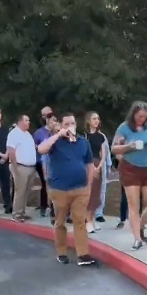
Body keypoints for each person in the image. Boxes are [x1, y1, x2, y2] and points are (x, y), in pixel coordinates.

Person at [36, 113, 97, 266]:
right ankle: (61, 252)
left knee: (79, 221)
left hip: (80, 189)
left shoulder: (83, 142)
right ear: (61, 126)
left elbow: (89, 165)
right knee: (60, 222)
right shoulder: (55, 141)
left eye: (72, 123)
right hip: (60, 189)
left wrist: (88, 186)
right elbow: (41, 149)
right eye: (66, 123)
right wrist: (58, 135)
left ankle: (83, 254)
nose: (70, 126)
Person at [112, 101, 147, 250]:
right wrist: (129, 146)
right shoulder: (124, 128)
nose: (142, 119)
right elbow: (115, 148)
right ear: (133, 114)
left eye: (145, 116)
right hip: (130, 168)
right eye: (140, 116)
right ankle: (137, 239)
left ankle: (140, 226)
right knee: (134, 204)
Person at [7, 114, 37, 222]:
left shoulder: (28, 134)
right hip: (20, 166)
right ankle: (16, 214)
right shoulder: (14, 134)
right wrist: (15, 168)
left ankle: (22, 212)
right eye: (26, 120)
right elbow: (11, 151)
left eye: (28, 120)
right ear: (20, 121)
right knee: (20, 191)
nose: (28, 122)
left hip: (30, 167)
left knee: (26, 191)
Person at [83, 112, 108, 233]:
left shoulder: (101, 136)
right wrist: (91, 166)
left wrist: (100, 166)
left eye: (98, 118)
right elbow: (84, 153)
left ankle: (92, 219)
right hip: (88, 164)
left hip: (98, 164)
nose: (96, 121)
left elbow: (103, 154)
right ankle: (87, 221)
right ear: (88, 121)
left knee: (96, 193)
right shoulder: (85, 136)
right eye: (94, 118)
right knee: (90, 193)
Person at [33, 108, 55, 217]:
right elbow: (34, 146)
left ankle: (53, 207)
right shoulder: (39, 132)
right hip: (42, 161)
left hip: (54, 161)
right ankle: (44, 206)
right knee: (45, 183)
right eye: (46, 116)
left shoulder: (57, 131)